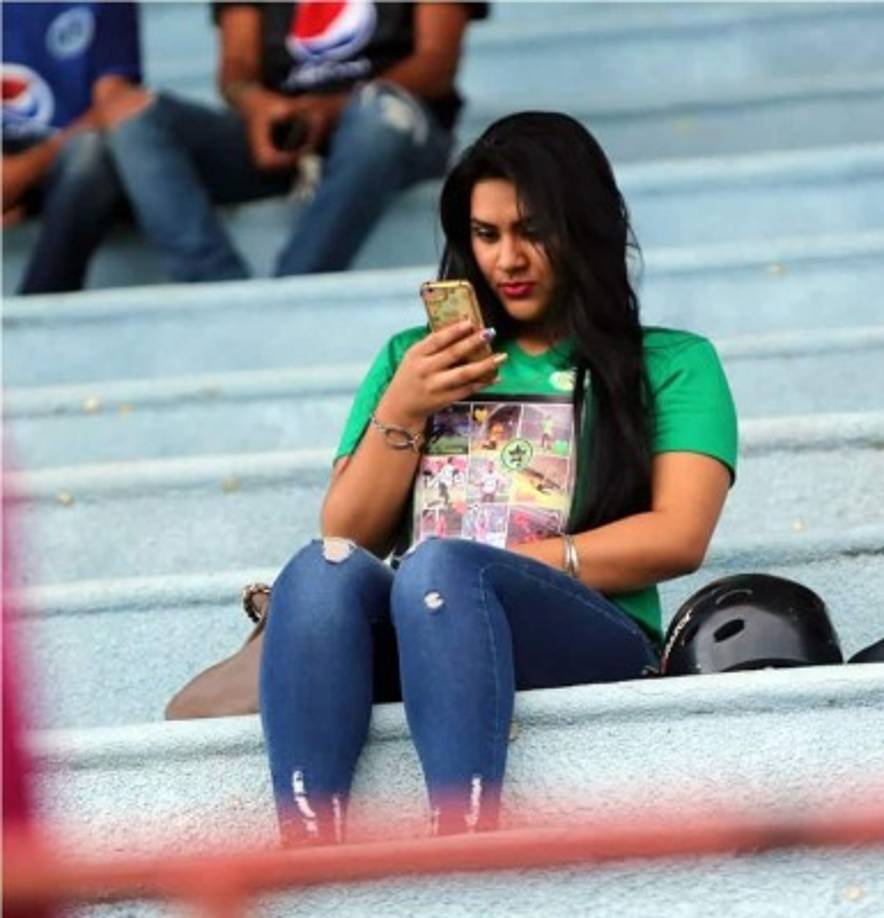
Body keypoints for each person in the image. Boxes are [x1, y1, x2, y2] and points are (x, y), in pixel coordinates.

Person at [259, 112, 738, 844]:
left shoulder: (673, 364)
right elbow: (346, 534)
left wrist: (493, 567)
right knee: (318, 572)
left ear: (586, 228)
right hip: (426, 623)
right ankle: (305, 849)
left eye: (532, 231)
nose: (507, 259)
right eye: (486, 235)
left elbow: (680, 534)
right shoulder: (412, 360)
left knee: (442, 568)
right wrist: (405, 405)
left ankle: (466, 838)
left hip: (585, 629)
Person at [106, 2, 486, 283]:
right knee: (136, 117)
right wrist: (258, 107)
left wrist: (332, 110)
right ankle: (216, 287)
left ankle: (293, 285)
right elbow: (236, 67)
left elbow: (437, 64)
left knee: (376, 119)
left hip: (393, 127)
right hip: (288, 133)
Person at [1, 2, 142, 294]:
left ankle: (35, 314)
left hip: (66, 158)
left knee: (89, 157)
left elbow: (115, 105)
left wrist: (23, 172)